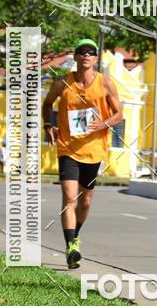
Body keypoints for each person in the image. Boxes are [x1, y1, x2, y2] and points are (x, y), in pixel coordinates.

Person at [42, 38, 123, 269]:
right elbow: (47, 105)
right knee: (69, 198)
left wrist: (103, 124)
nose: (86, 55)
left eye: (91, 52)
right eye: (81, 51)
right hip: (68, 148)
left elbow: (119, 114)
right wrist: (48, 126)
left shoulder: (106, 83)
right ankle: (70, 248)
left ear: (95, 59)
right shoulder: (62, 83)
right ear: (76, 57)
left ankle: (75, 234)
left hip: (94, 150)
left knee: (85, 201)